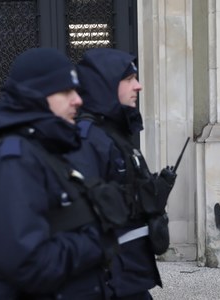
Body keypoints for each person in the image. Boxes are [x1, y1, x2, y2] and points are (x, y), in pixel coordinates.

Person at [0, 48, 127, 299]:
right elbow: (28, 264)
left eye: (76, 90)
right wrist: (97, 238)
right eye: (66, 91)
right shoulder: (12, 159)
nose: (78, 100)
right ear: (36, 96)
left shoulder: (41, 150)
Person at [67, 48, 177, 299]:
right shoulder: (88, 139)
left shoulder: (114, 134)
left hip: (129, 276)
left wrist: (153, 194)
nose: (137, 86)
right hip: (107, 281)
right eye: (128, 80)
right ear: (105, 85)